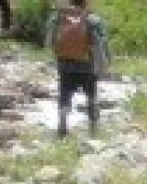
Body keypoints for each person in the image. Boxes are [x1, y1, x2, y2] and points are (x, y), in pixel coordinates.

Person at [46, 0, 110, 139]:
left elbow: (49, 42)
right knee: (91, 96)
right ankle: (93, 129)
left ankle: (62, 126)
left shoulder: (59, 17)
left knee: (65, 95)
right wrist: (105, 63)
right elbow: (103, 44)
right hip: (87, 65)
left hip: (65, 65)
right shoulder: (93, 19)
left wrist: (57, 54)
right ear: (85, 3)